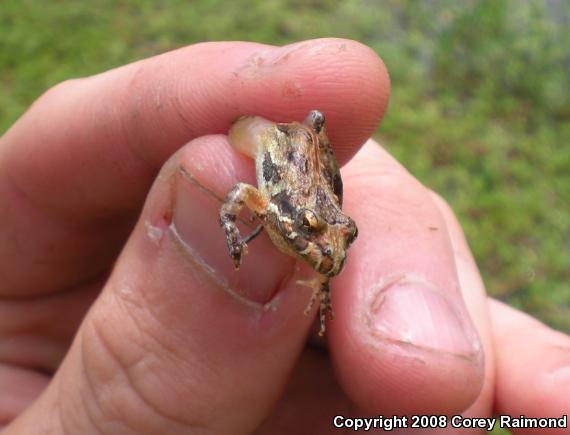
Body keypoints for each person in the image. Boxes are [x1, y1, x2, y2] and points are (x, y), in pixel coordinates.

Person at [0, 39, 567, 434]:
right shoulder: (275, 207)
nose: (331, 253)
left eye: (342, 240)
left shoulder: (315, 239)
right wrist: (232, 238)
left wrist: (321, 277)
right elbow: (230, 200)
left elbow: (326, 244)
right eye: (324, 237)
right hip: (277, 155)